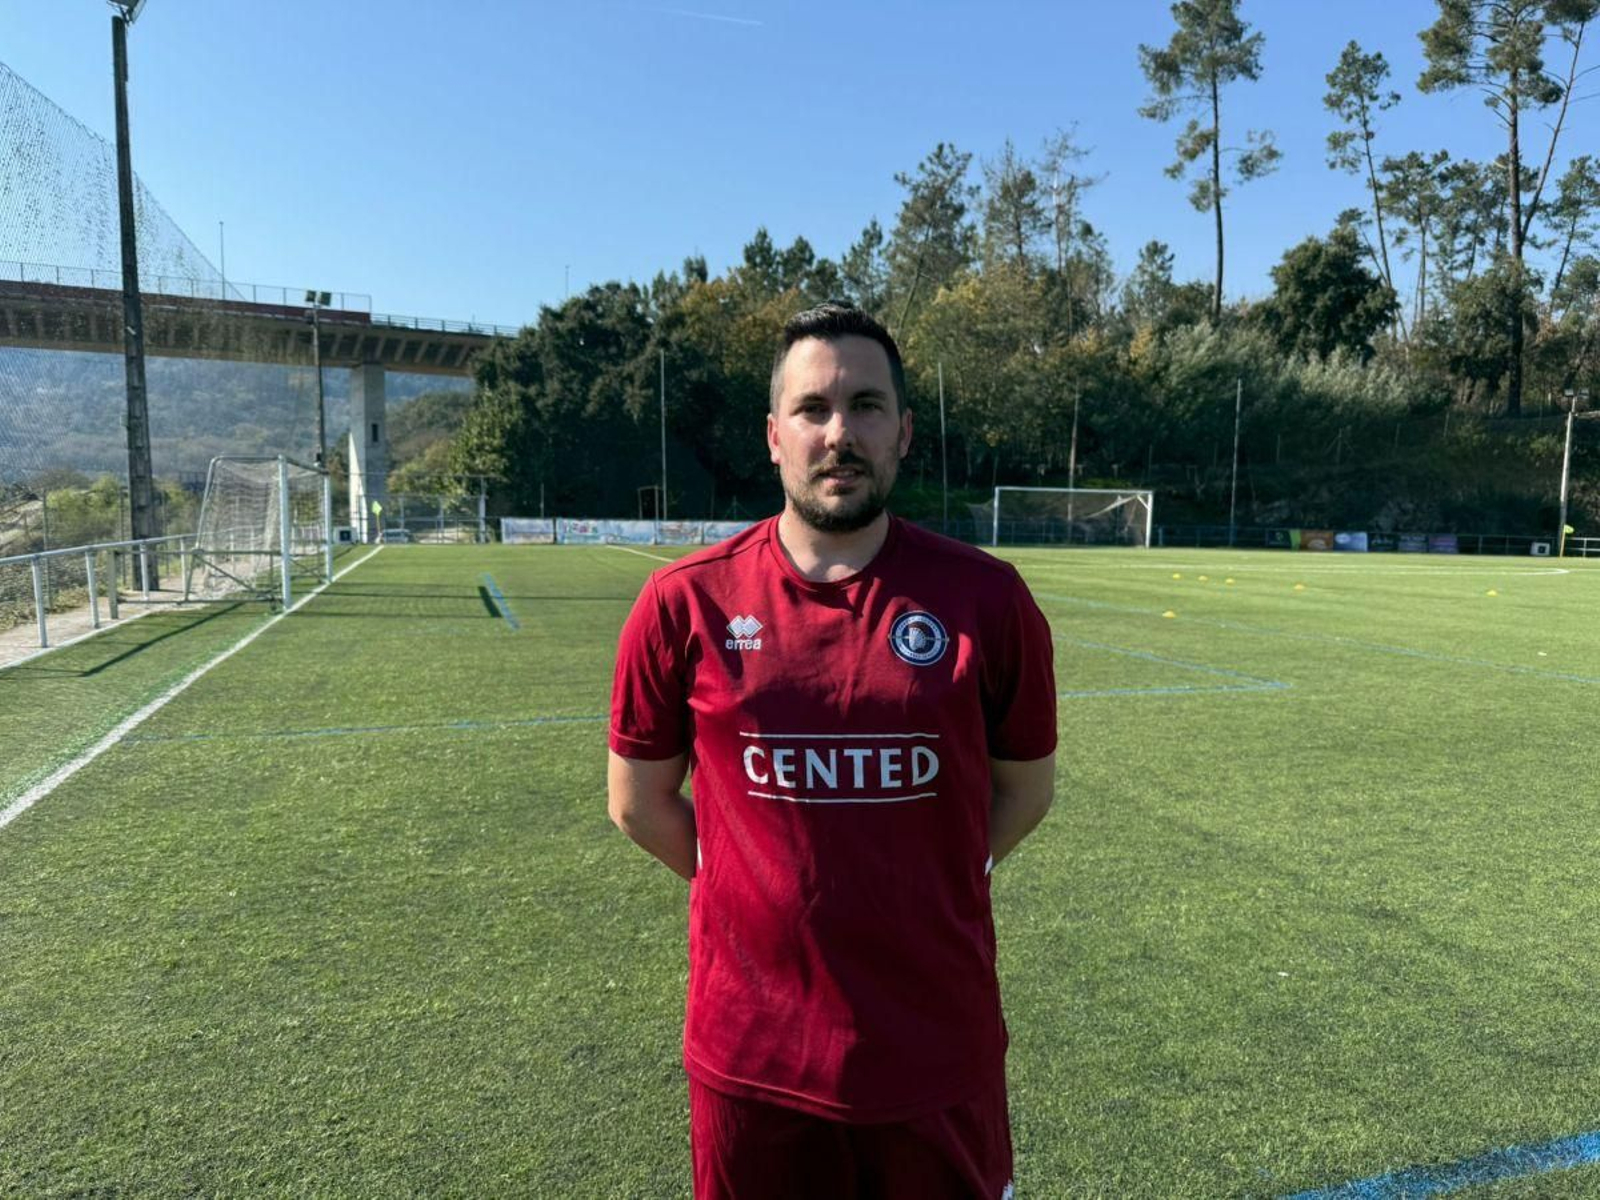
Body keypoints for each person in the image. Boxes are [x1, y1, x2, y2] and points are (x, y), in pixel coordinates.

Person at [607, 302, 1057, 1199]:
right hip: (754, 1059)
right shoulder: (682, 602)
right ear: (774, 437)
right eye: (813, 409)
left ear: (904, 433)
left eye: (867, 405)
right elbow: (637, 802)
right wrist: (749, 882)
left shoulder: (990, 602)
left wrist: (933, 875)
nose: (839, 432)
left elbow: (1024, 794)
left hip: (936, 1052)